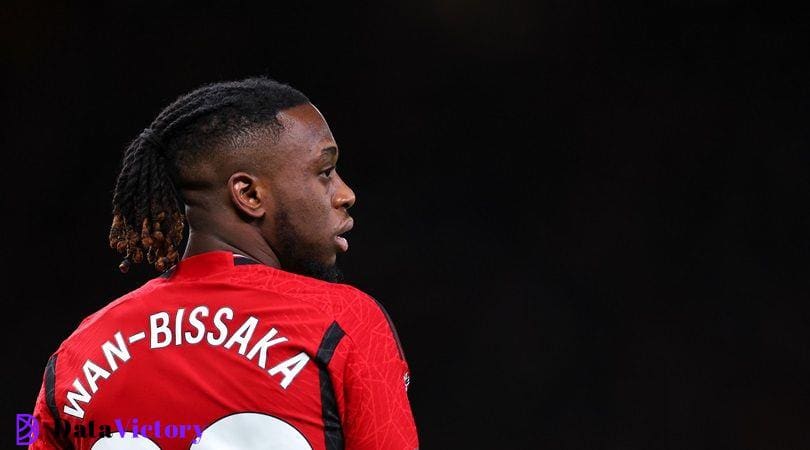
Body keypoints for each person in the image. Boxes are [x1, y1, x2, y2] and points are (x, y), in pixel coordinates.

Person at [29, 77, 418, 450]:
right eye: (325, 172)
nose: (345, 194)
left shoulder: (74, 356)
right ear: (248, 193)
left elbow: (25, 435)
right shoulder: (344, 322)